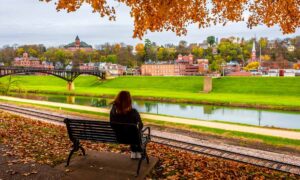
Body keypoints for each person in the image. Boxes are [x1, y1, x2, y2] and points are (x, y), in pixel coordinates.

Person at [110, 90, 143, 159]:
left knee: (132, 130)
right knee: (135, 131)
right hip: (132, 139)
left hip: (118, 137)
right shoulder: (133, 112)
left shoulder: (113, 111)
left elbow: (112, 125)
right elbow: (141, 126)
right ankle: (137, 152)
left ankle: (134, 152)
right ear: (129, 100)